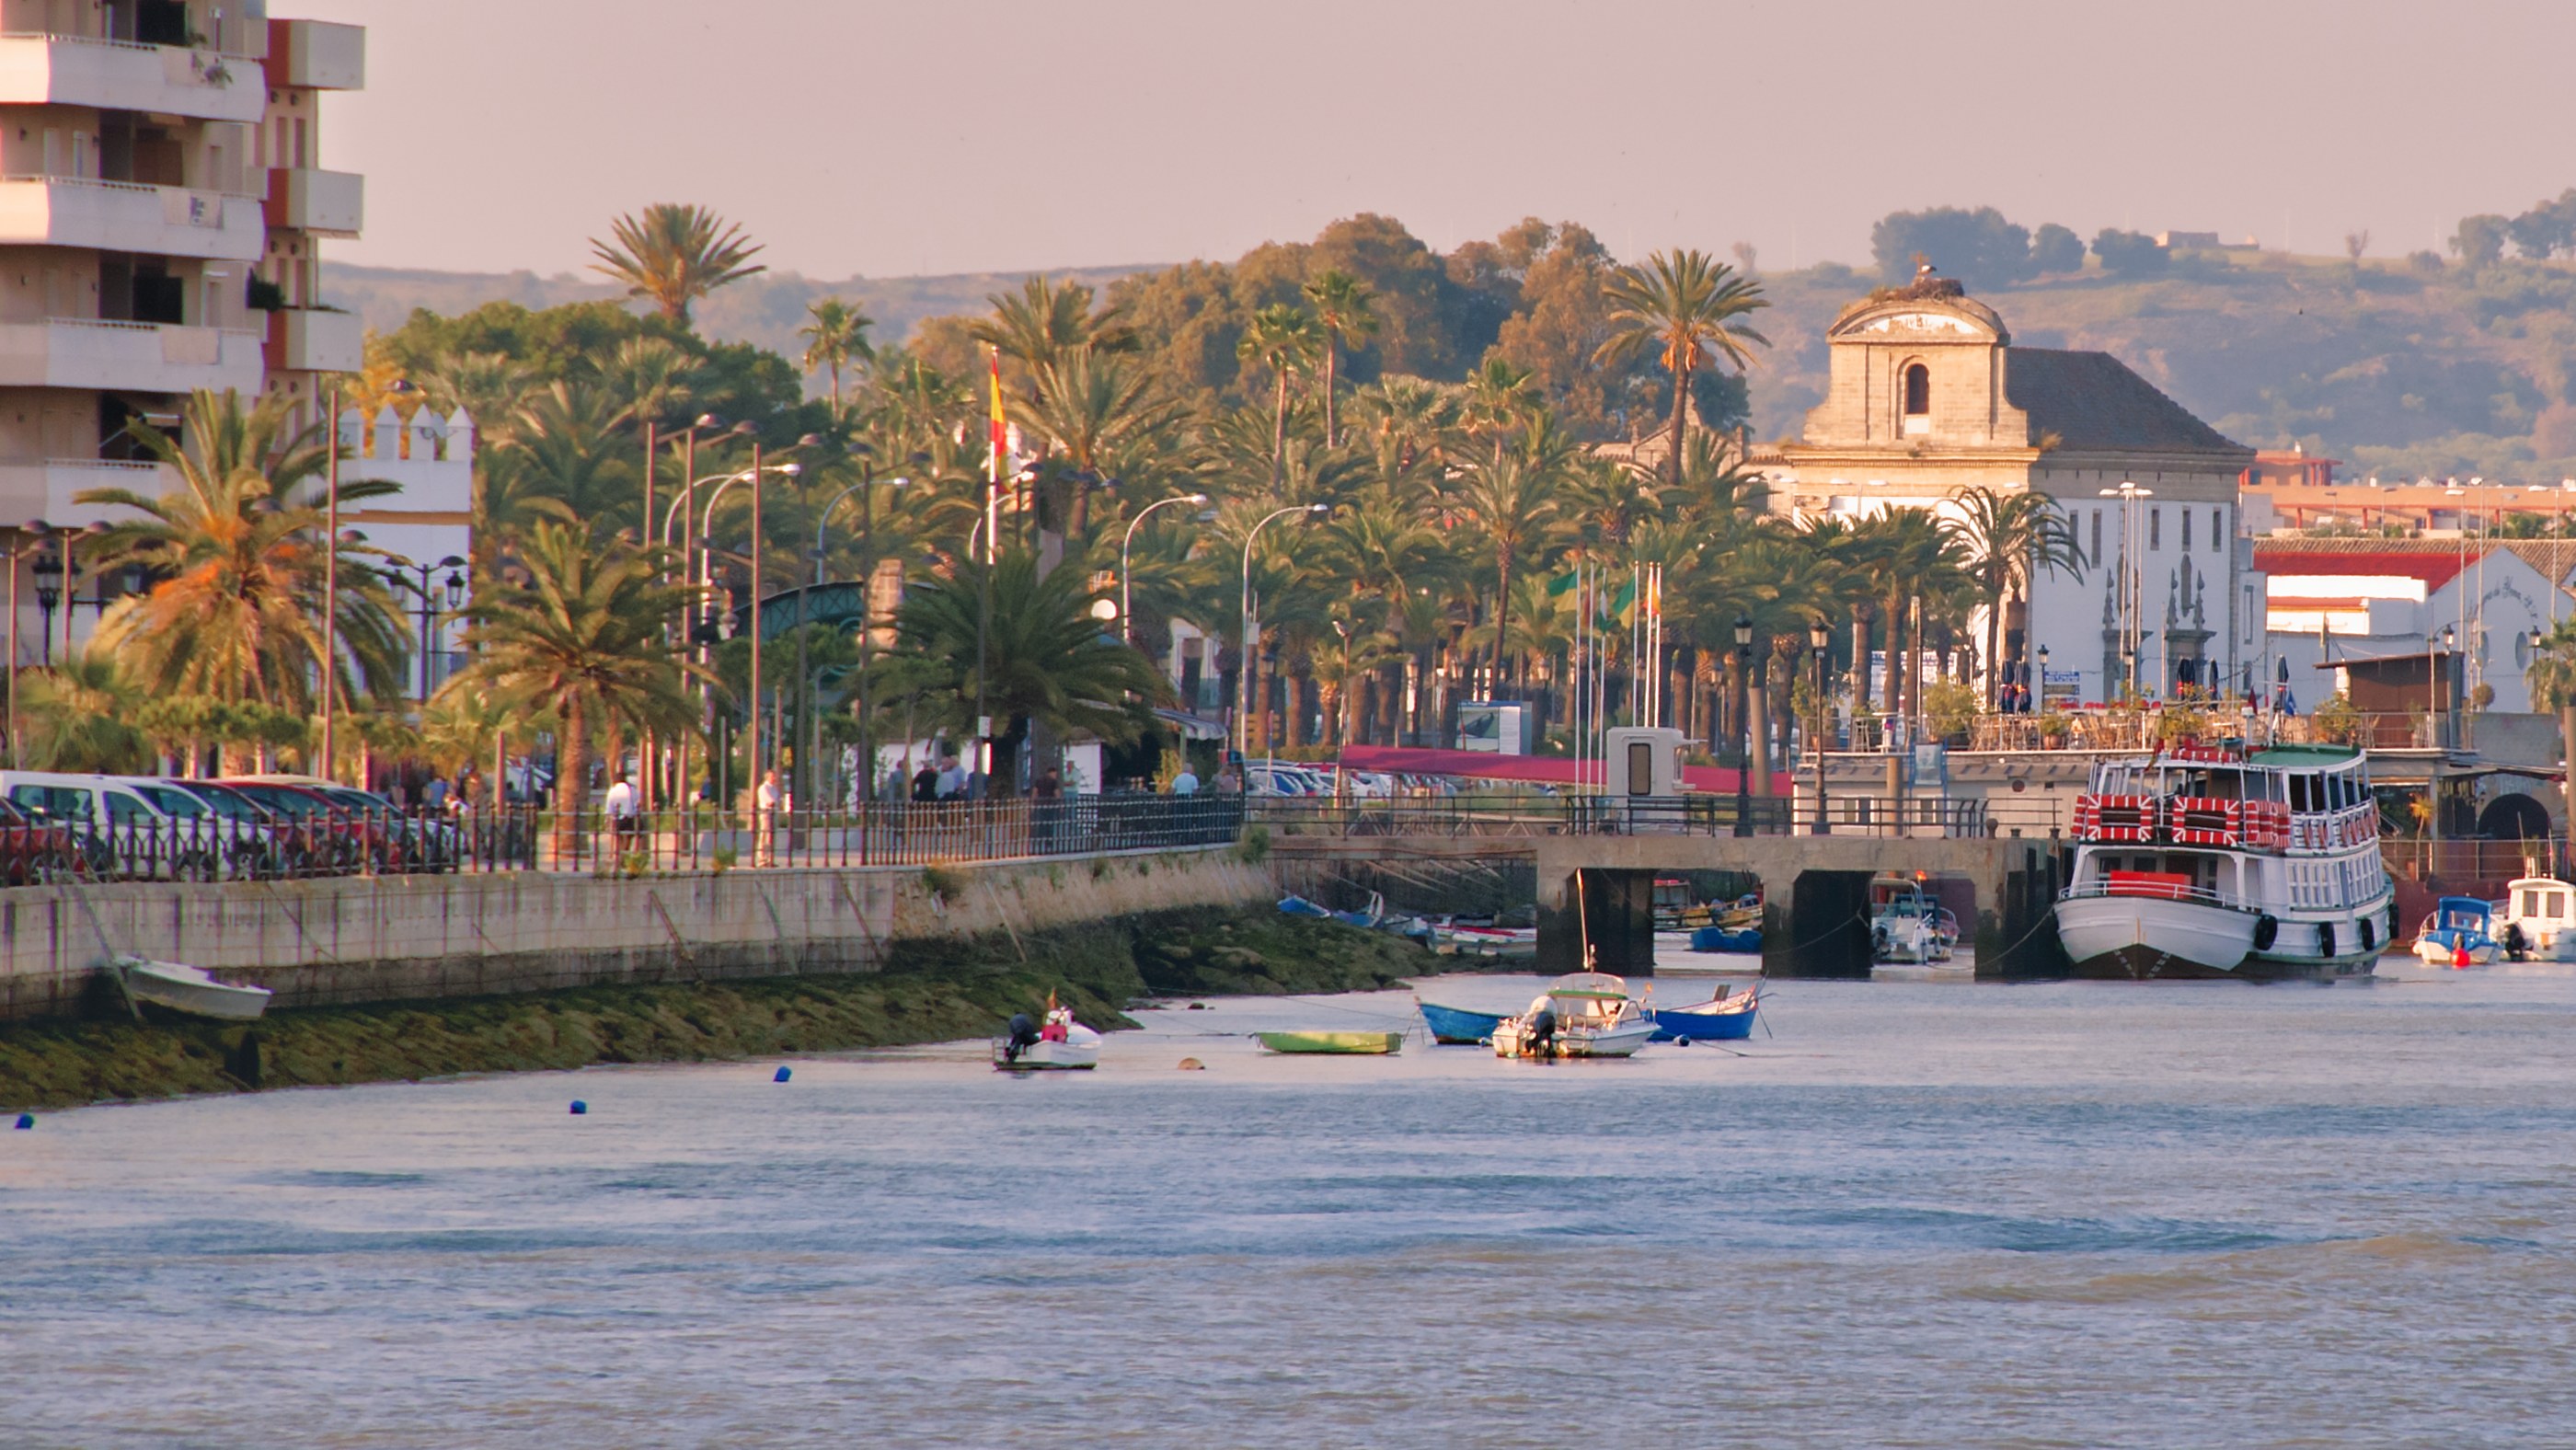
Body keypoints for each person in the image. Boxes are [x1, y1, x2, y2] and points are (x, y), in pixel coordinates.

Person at [603, 774, 639, 852]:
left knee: (618, 836)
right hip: (630, 816)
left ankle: (620, 851)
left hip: (618, 817)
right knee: (629, 835)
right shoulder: (632, 789)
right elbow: (637, 803)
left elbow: (609, 806)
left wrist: (607, 819)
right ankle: (626, 849)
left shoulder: (613, 790)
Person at [753, 768, 783, 867]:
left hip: (773, 812)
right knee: (764, 835)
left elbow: (778, 800)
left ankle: (770, 858)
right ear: (767, 777)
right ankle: (762, 859)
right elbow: (771, 801)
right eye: (772, 776)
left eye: (774, 776)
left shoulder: (774, 788)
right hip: (766, 812)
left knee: (771, 836)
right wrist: (774, 802)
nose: (774, 778)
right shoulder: (763, 788)